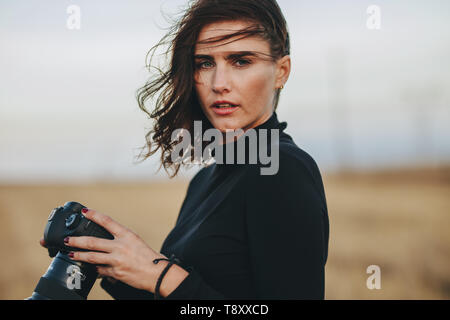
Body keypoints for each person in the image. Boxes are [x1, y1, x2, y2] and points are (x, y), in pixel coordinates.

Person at [40, 0, 329, 299]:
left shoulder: (282, 169)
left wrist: (159, 273)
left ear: (281, 71)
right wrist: (112, 260)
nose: (219, 83)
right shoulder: (203, 181)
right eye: (205, 63)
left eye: (241, 61)